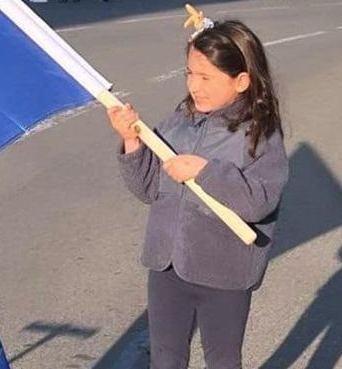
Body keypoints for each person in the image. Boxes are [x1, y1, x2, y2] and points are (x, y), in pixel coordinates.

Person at [108, 18, 288, 369]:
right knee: (164, 356)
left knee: (222, 360)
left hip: (225, 272)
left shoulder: (259, 135)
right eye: (190, 74)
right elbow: (147, 188)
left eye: (206, 78)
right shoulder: (180, 121)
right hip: (167, 264)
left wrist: (205, 172)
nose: (195, 86)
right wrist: (131, 140)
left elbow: (260, 200)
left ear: (241, 81)